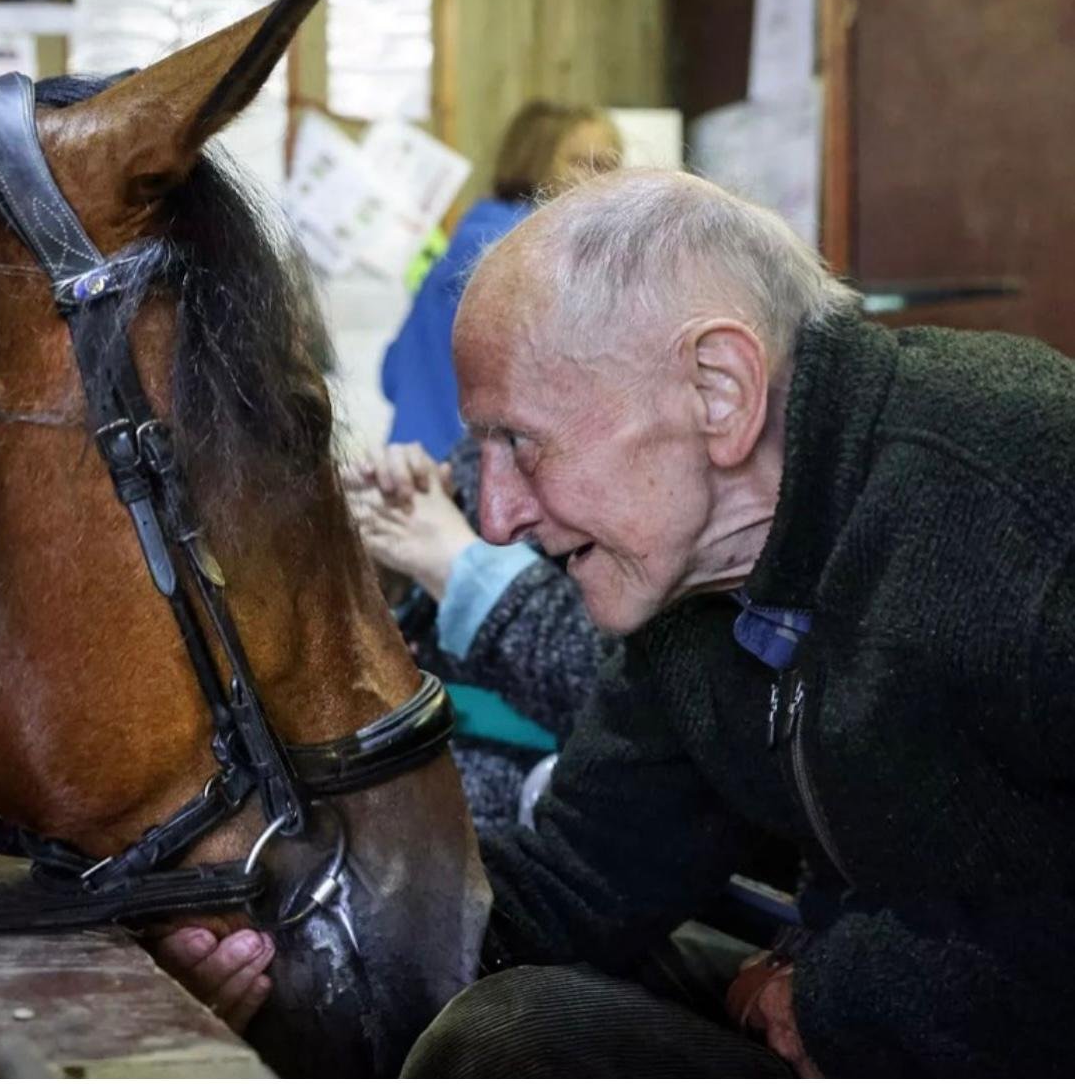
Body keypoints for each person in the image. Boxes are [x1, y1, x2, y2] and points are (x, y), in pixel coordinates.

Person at [157, 167, 1075, 1076]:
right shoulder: (694, 594)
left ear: (719, 390)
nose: (497, 516)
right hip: (859, 1020)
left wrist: (844, 999)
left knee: (506, 1043)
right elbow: (572, 888)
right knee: (521, 1026)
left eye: (519, 440)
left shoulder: (1021, 482)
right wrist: (276, 938)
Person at [343, 436, 622, 832]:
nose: (501, 517)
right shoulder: (461, 481)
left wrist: (462, 570)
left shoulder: (642, 502)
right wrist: (390, 594)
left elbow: (649, 707)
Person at [381, 100, 622, 460]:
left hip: (416, 466)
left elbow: (390, 373)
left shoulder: (471, 236)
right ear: (533, 163)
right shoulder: (530, 250)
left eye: (610, 165)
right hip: (465, 475)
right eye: (581, 163)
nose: (600, 180)